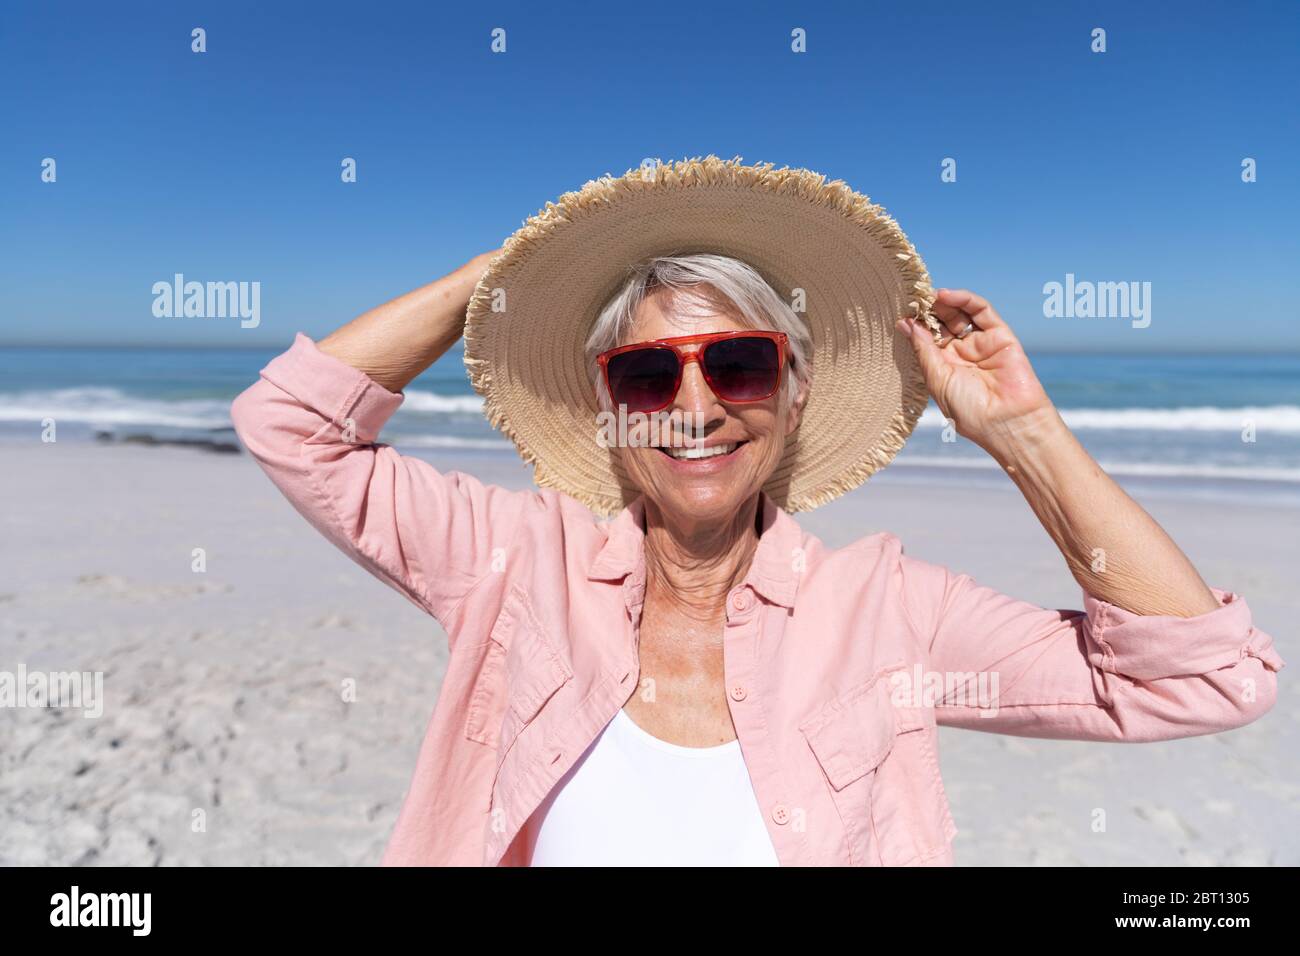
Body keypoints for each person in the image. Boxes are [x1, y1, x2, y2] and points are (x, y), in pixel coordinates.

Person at [230, 157, 1283, 866]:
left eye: (738, 362)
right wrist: (491, 279)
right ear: (611, 406)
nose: (695, 406)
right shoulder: (516, 558)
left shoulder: (886, 612)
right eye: (648, 375)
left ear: (794, 389)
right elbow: (290, 423)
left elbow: (1206, 678)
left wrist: (1022, 429)